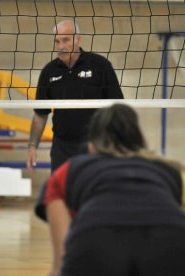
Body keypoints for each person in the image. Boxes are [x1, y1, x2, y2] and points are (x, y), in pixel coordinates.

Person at [45, 104, 185, 276]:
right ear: (139, 141)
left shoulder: (68, 171)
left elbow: (60, 261)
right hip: (173, 236)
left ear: (92, 146)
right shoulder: (170, 170)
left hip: (95, 235)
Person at [26, 19, 124, 221]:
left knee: (94, 200)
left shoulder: (100, 66)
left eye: (66, 40)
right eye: (57, 41)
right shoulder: (49, 72)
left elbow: (117, 108)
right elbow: (40, 114)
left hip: (94, 146)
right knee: (60, 202)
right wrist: (32, 145)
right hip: (62, 147)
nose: (61, 46)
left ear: (78, 39)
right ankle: (68, 248)